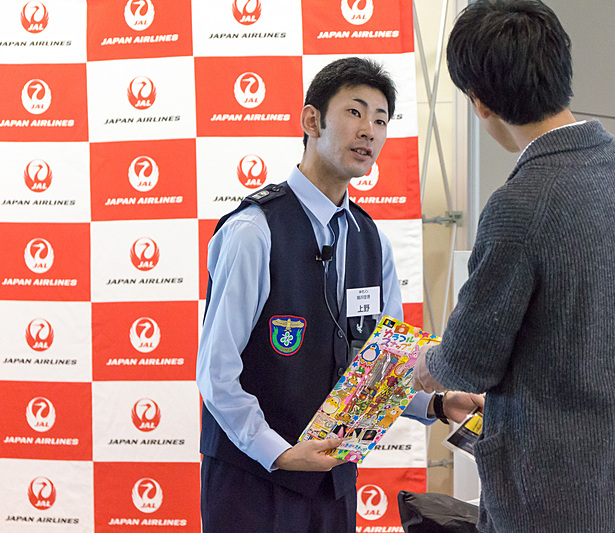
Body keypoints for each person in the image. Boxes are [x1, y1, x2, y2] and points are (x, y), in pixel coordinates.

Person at [413, 2, 615, 532]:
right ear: (562, 67)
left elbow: (469, 362)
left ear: (479, 101)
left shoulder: (521, 203)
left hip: (549, 503)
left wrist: (422, 365)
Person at [197, 57, 481, 533]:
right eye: (355, 112)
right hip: (254, 481)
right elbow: (217, 373)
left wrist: (437, 402)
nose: (368, 130)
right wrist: (279, 453)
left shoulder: (372, 240)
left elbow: (382, 362)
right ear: (312, 121)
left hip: (332, 484)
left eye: (381, 119)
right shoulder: (253, 231)